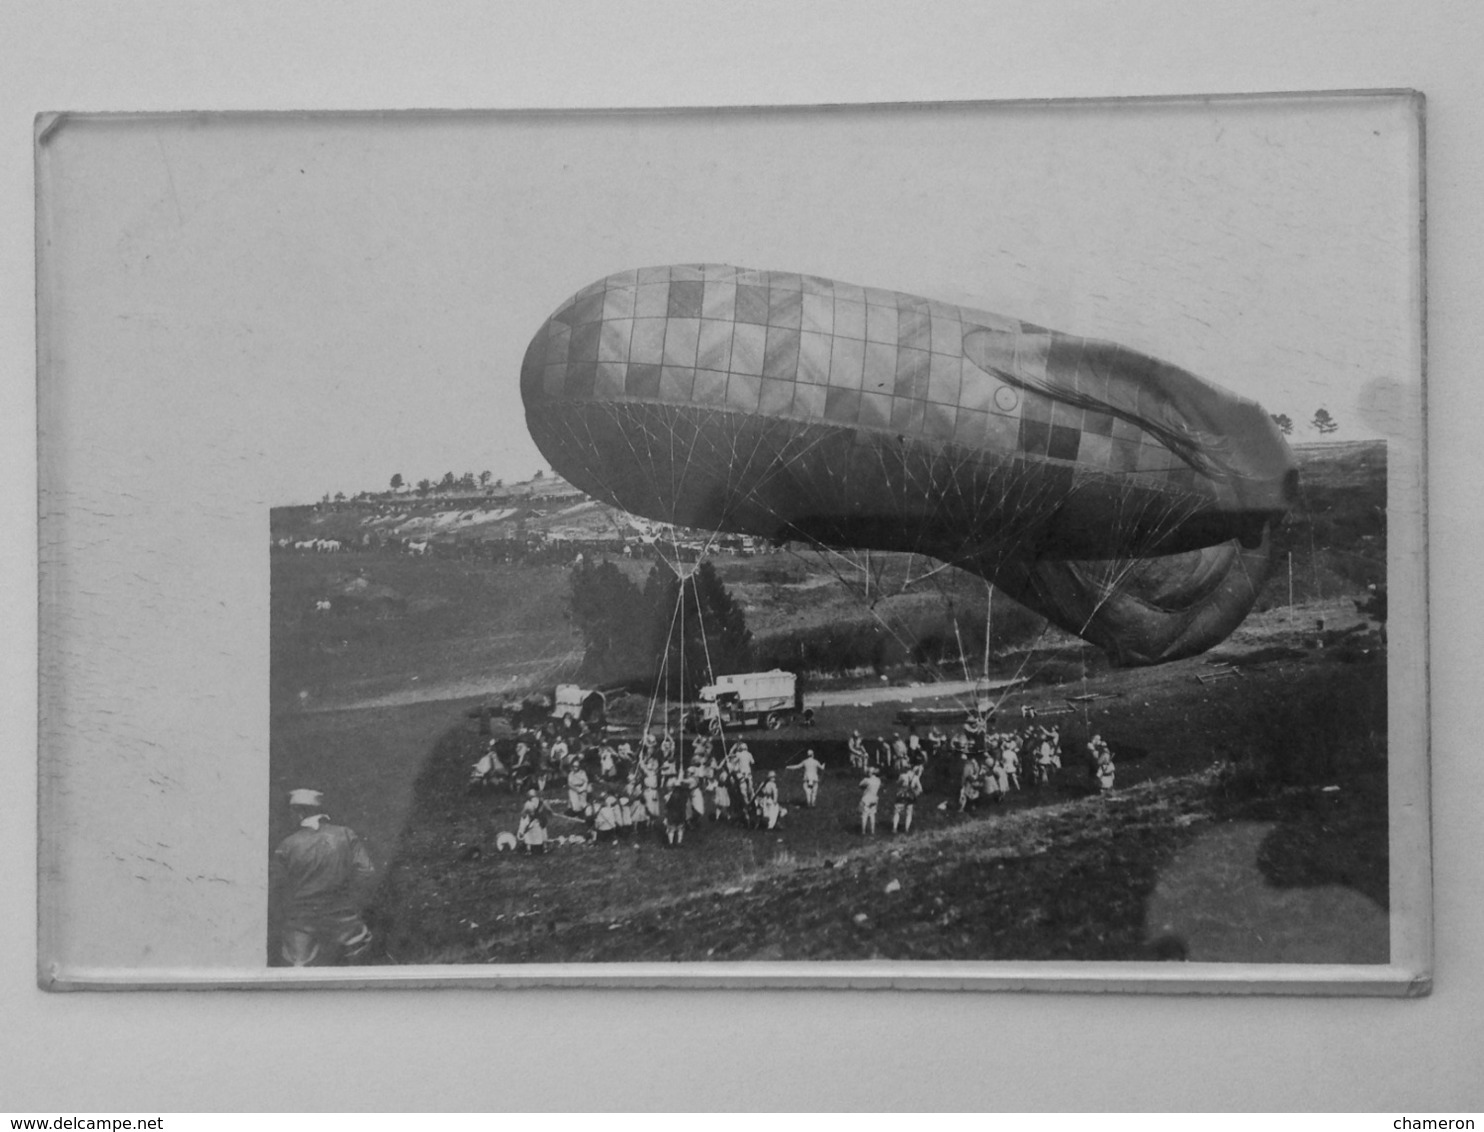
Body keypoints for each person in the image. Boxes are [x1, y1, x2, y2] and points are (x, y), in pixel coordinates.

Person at [271, 789, 377, 966]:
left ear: (299, 812)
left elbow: (276, 886)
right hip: (343, 918)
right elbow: (366, 873)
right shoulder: (345, 834)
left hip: (301, 921)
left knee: (298, 968)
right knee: (359, 956)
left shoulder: (287, 844)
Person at [892, 763, 923, 834]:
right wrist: (915, 793)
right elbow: (920, 789)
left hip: (901, 795)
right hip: (910, 796)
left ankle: (894, 828)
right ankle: (907, 829)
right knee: (909, 813)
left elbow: (897, 784)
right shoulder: (916, 778)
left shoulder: (902, 776)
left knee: (897, 812)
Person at [663, 779, 690, 846]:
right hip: (681, 814)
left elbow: (668, 805)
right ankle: (679, 842)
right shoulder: (684, 796)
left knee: (671, 829)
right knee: (680, 828)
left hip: (672, 815)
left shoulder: (671, 796)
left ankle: (671, 842)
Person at [859, 765, 882, 835]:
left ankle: (863, 831)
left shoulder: (866, 780)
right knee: (872, 815)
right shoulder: (878, 780)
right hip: (874, 798)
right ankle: (872, 831)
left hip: (866, 798)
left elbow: (860, 785)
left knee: (864, 815)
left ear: (870, 773)